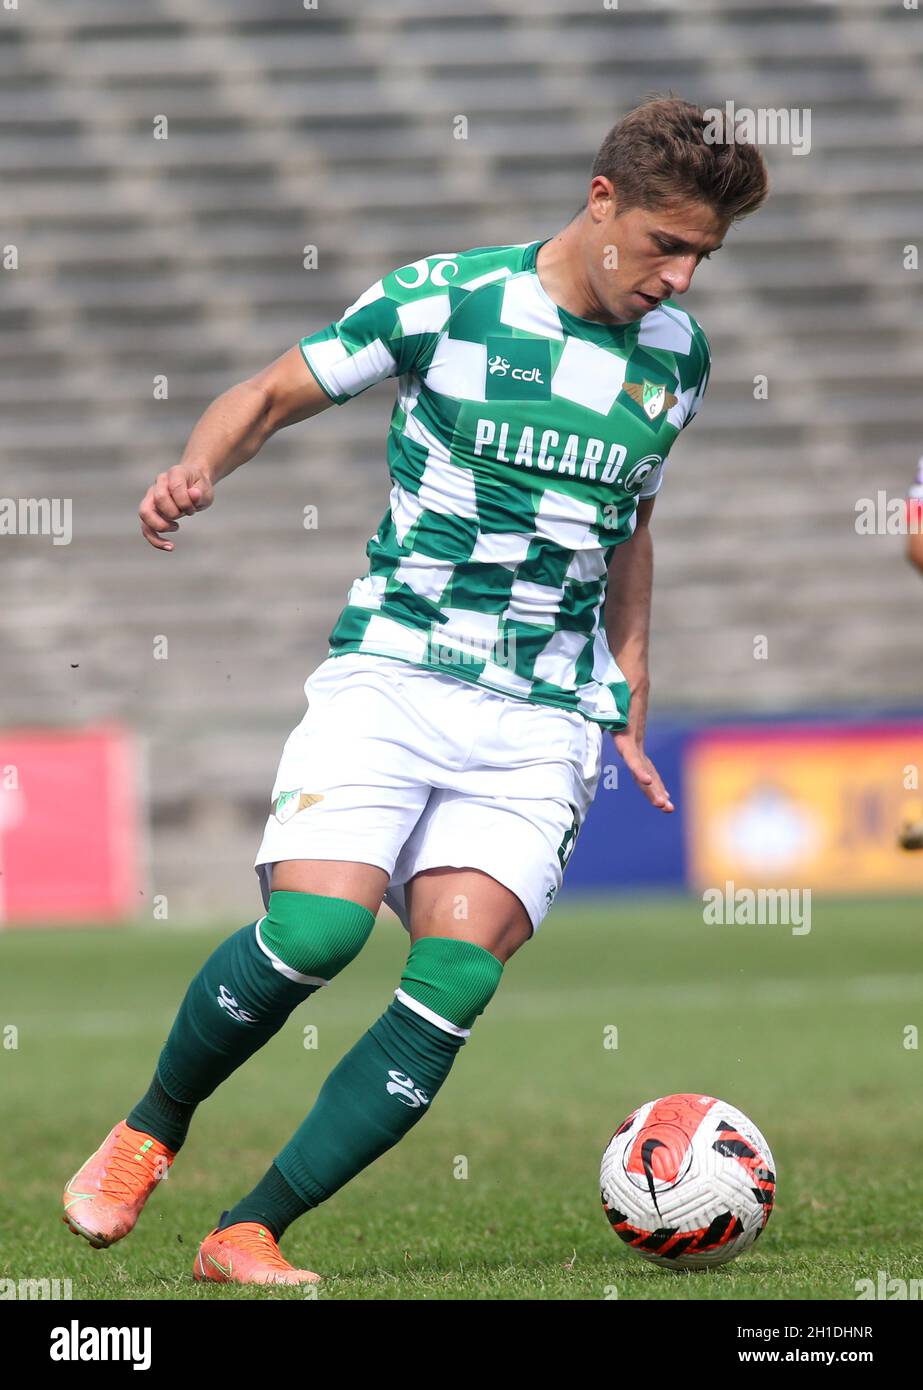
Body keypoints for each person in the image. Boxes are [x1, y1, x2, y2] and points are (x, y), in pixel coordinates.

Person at [62, 96, 768, 1285]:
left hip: (541, 714)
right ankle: (148, 1131)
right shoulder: (446, 299)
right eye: (665, 244)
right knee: (316, 931)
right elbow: (271, 391)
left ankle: (250, 1230)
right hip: (396, 671)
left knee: (454, 975)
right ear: (601, 203)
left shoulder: (677, 362)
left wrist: (627, 679)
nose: (683, 278)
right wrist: (198, 466)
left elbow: (629, 524)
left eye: (703, 254)